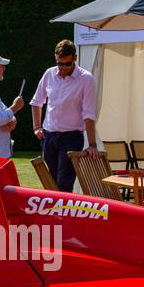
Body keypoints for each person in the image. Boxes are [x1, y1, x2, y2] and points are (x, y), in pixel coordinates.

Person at [30, 39, 97, 193]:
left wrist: (92, 144)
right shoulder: (49, 73)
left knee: (64, 183)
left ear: (75, 58)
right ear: (56, 58)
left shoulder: (86, 79)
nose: (63, 68)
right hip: (49, 136)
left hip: (71, 137)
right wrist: (37, 127)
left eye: (67, 64)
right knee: (50, 181)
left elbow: (88, 113)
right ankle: (52, 215)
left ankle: (62, 216)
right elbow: (36, 102)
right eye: (60, 64)